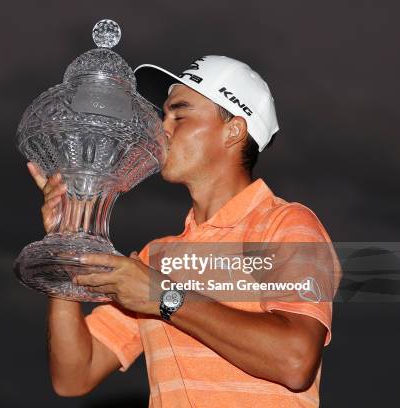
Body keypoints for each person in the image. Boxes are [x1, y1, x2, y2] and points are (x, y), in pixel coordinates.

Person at [27, 55, 340, 407]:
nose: (162, 128)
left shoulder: (288, 225)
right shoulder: (155, 258)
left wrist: (162, 297)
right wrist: (68, 240)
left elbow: (295, 361)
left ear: (233, 130)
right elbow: (74, 376)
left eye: (180, 114)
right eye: (163, 116)